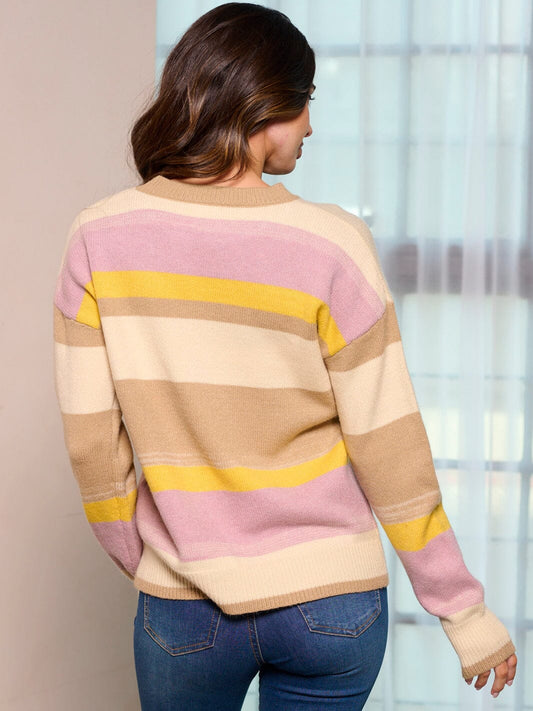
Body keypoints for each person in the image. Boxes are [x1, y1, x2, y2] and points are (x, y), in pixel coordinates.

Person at [53, 3, 517, 709]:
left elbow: (92, 442)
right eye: (306, 104)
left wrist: (147, 561)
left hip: (183, 600)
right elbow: (389, 446)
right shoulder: (331, 242)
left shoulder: (99, 236)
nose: (310, 127)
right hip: (331, 602)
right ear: (264, 104)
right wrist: (462, 610)